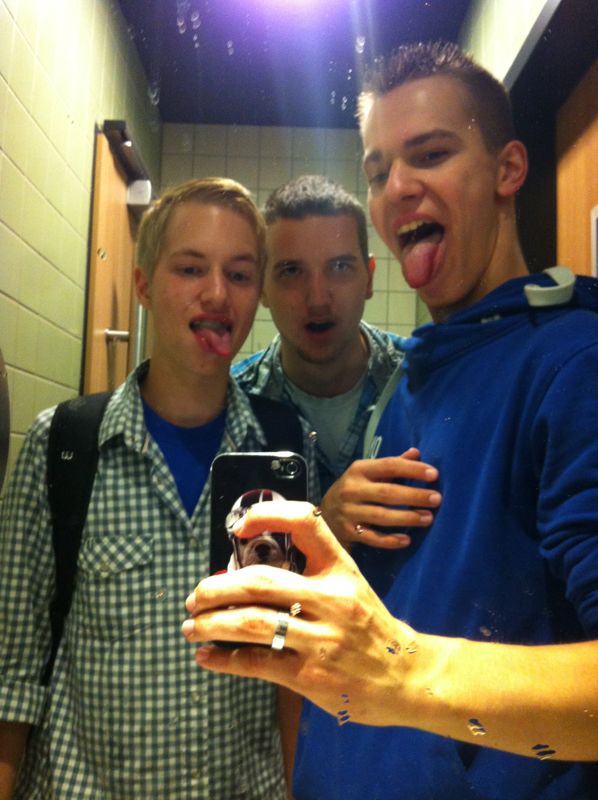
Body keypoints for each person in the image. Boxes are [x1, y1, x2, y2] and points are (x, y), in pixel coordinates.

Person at [182, 42, 598, 799]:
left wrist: (398, 670)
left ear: (507, 169)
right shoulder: (418, 374)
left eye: (430, 155)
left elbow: (393, 661)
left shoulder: (574, 362)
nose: (398, 187)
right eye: (378, 172)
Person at [0, 177, 317, 799]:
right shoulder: (62, 447)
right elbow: (11, 680)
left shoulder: (283, 453)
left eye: (239, 274)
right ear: (143, 286)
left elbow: (295, 662)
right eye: (191, 268)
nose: (217, 293)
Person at [234, 174, 441, 549]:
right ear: (262, 287)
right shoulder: (232, 406)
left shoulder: (427, 382)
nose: (318, 299)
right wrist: (321, 525)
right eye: (291, 271)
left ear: (369, 278)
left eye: (340, 267)